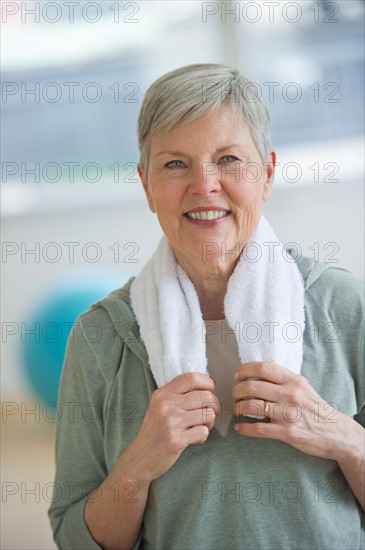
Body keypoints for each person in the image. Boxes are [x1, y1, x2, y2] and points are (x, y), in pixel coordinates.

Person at [48, 64, 364, 550]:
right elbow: (73, 538)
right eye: (175, 164)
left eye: (229, 159)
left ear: (268, 174)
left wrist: (342, 436)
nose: (204, 184)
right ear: (146, 185)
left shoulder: (343, 306)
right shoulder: (101, 336)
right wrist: (140, 463)